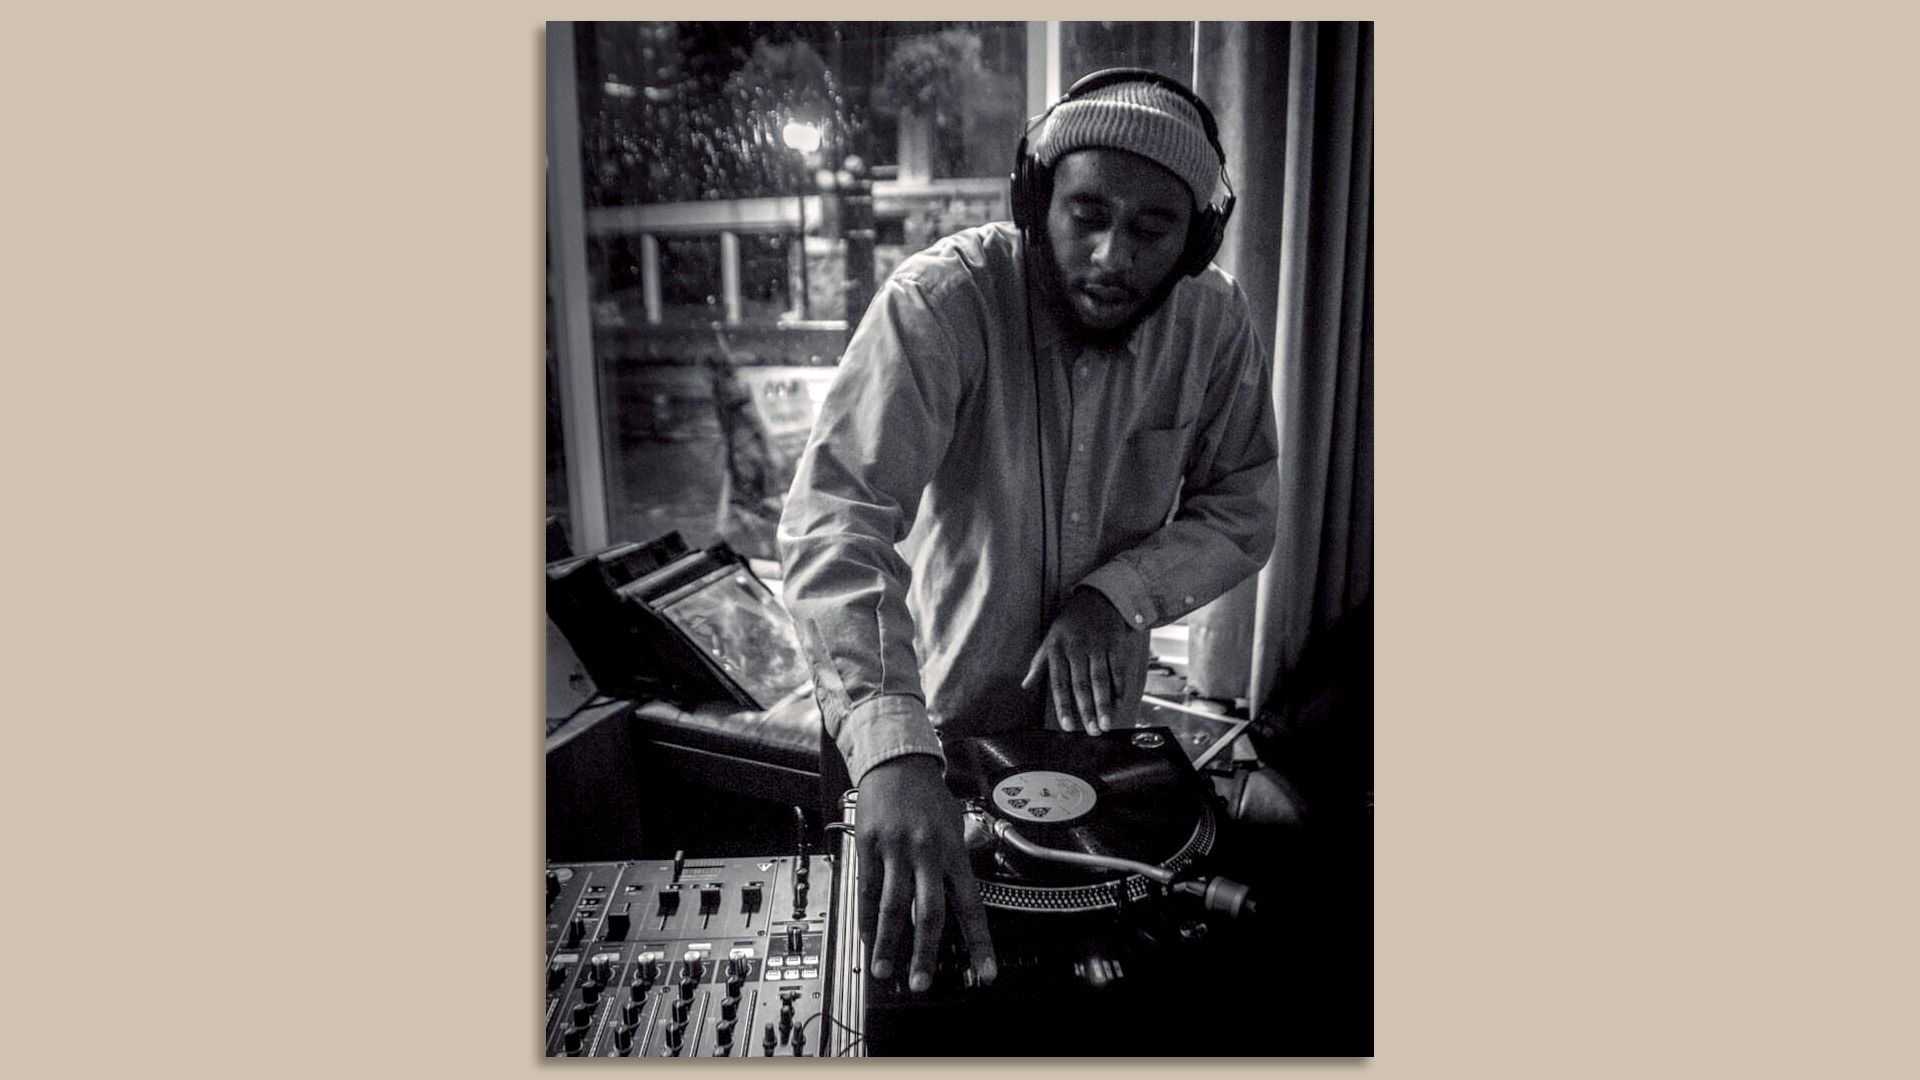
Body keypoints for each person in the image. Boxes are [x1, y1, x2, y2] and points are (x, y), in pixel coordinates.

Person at [777, 69, 1279, 996]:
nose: (1111, 256)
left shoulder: (1215, 322)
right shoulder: (942, 302)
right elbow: (835, 517)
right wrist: (892, 745)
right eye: (1086, 213)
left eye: (1152, 229)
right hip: (916, 735)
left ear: (1198, 239)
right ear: (1035, 199)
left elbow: (1244, 501)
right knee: (906, 1002)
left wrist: (1116, 595)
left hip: (1096, 762)